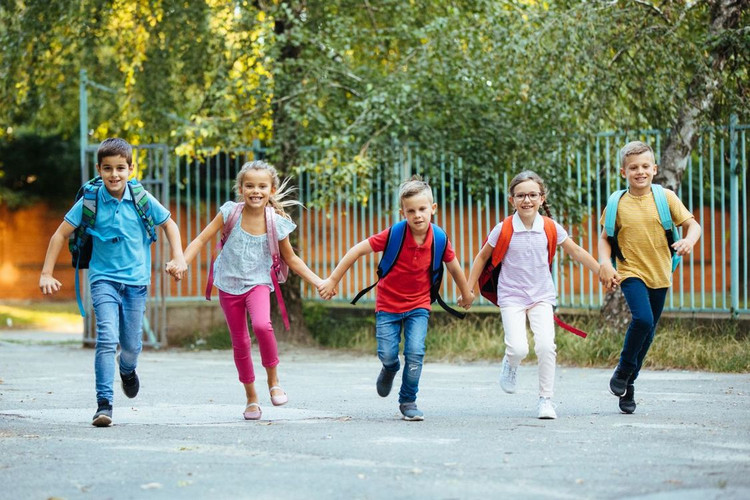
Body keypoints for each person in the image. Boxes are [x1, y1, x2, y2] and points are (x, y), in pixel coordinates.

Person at [39, 137, 187, 427]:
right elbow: (60, 234)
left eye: (121, 168)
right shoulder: (90, 201)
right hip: (103, 279)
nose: (114, 174)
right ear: (99, 169)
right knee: (106, 338)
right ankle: (103, 404)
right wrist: (46, 273)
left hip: (136, 282)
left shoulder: (141, 198)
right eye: (108, 168)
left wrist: (178, 257)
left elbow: (169, 224)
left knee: (131, 346)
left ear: (131, 169)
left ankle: (128, 370)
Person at [174, 160, 323, 421]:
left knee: (263, 326)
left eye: (262, 186)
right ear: (240, 188)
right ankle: (251, 398)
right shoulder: (229, 212)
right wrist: (181, 261)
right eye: (250, 185)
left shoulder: (276, 223)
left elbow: (292, 259)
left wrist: (318, 281)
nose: (256, 191)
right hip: (228, 285)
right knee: (240, 342)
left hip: (258, 283)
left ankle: (274, 382)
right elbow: (200, 239)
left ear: (272, 190)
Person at [317, 176, 474, 421]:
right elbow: (357, 250)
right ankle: (389, 368)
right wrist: (332, 280)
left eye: (422, 209)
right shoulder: (394, 235)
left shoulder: (440, 239)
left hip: (419, 305)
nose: (418, 215)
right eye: (411, 211)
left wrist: (466, 294)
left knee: (415, 352)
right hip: (388, 306)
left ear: (433, 209)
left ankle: (408, 400)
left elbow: (454, 267)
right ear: (403, 212)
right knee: (388, 354)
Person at [464, 170, 605, 419]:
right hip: (511, 296)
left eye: (532, 195)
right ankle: (511, 363)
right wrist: (468, 290)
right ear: (512, 200)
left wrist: (600, 270)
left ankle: (545, 400)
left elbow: (576, 251)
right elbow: (482, 257)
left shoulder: (550, 227)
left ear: (542, 198)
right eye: (520, 196)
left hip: (542, 296)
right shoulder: (503, 229)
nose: (526, 200)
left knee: (546, 347)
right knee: (518, 348)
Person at [598, 141, 701, 414]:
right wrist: (604, 264)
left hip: (661, 274)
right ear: (623, 172)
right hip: (630, 271)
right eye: (633, 167)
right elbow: (605, 238)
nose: (639, 171)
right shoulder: (616, 202)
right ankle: (623, 369)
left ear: (654, 169)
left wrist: (689, 240)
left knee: (649, 333)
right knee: (642, 319)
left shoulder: (665, 198)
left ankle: (628, 383)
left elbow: (693, 225)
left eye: (645, 166)